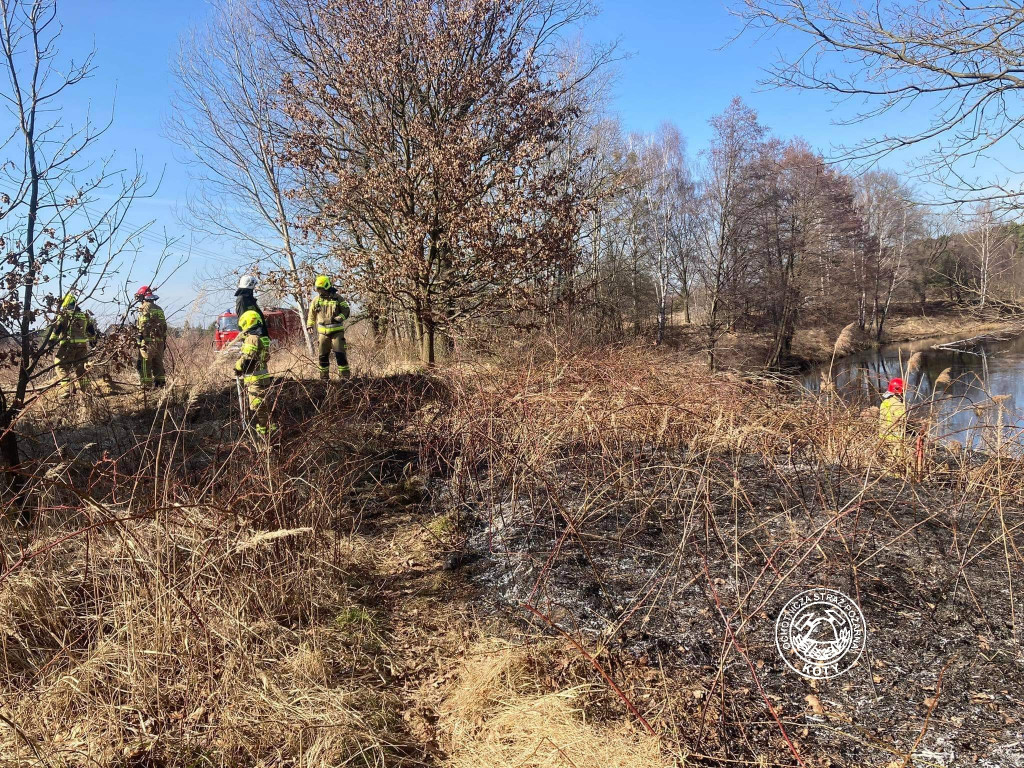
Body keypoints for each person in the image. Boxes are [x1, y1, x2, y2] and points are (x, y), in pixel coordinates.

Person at [234, 309, 275, 436]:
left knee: (258, 407)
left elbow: (248, 359)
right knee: (265, 406)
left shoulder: (252, 338)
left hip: (255, 380)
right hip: (263, 378)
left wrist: (237, 367)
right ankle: (271, 431)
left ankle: (263, 434)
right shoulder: (262, 337)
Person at [48, 293, 98, 398]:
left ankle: (69, 389)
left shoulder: (64, 315)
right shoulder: (84, 315)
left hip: (68, 346)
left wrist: (51, 341)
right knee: (81, 369)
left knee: (60, 365)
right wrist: (92, 342)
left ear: (65, 304)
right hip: (82, 346)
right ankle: (87, 392)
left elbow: (57, 330)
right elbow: (91, 331)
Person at [306, 275, 350, 381]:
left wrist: (339, 318)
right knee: (323, 356)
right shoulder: (316, 300)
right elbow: (311, 314)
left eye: (321, 289)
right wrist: (309, 325)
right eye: (318, 289)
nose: (319, 291)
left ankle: (345, 378)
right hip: (323, 334)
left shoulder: (338, 298)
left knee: (340, 355)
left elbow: (346, 311)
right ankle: (324, 379)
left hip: (337, 333)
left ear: (326, 287)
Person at [135, 285, 168, 389]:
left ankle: (146, 387)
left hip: (147, 341)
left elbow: (143, 324)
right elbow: (164, 326)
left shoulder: (143, 307)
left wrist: (140, 339)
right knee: (158, 363)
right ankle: (160, 384)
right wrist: (163, 341)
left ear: (143, 296)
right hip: (160, 341)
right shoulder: (159, 309)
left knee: (145, 363)